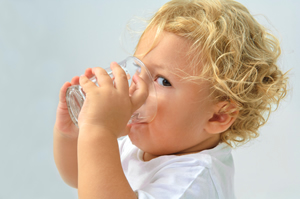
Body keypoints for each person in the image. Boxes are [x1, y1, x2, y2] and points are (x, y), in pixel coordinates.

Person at [53, 0, 288, 198]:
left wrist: (98, 130)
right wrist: (75, 134)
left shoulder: (193, 182)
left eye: (163, 81)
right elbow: (81, 176)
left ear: (218, 115)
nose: (137, 86)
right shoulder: (153, 139)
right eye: (139, 69)